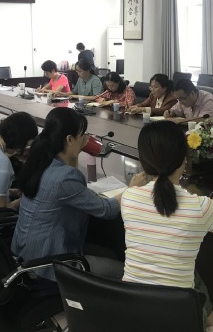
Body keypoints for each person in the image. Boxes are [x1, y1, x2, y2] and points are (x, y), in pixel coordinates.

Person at [122, 121, 213, 332]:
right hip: (178, 316)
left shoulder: (128, 197)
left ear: (143, 161)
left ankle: (212, 320)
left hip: (131, 309)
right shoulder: (201, 207)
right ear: (184, 160)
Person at [12, 108, 145, 281]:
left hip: (26, 251)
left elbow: (69, 183)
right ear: (69, 139)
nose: (86, 138)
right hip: (48, 263)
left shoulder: (41, 161)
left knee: (110, 254)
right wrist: (131, 188)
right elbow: (107, 210)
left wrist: (75, 150)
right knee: (122, 270)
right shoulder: (65, 177)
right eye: (83, 135)